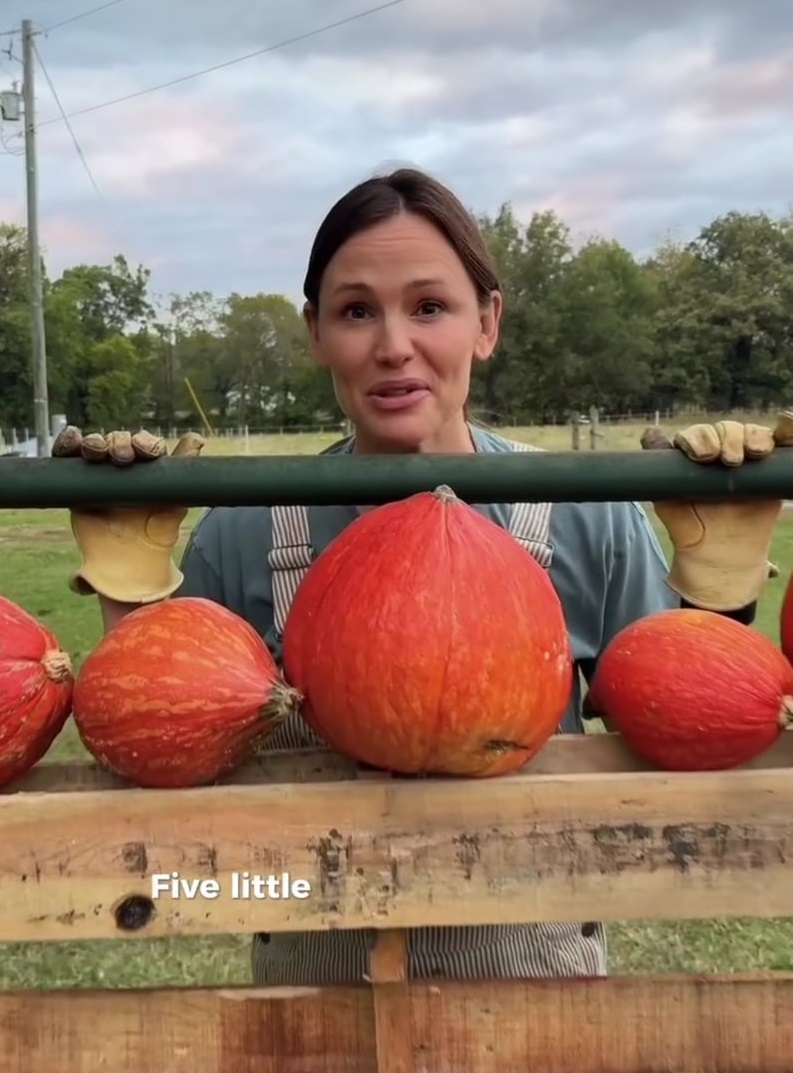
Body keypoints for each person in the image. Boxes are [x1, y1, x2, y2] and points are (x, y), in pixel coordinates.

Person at [52, 167, 792, 988]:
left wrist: (718, 586)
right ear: (315, 331)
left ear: (487, 322)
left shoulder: (583, 514)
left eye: (429, 306)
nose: (393, 345)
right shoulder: (248, 528)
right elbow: (153, 735)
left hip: (539, 1000)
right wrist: (131, 585)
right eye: (356, 311)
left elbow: (691, 721)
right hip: (308, 1005)